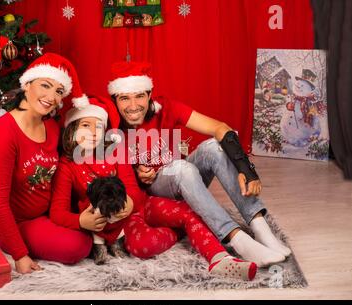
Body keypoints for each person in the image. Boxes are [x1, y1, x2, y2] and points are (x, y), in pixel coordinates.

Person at [50, 96, 257, 280]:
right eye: (85, 125)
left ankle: (219, 258)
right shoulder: (67, 167)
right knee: (141, 246)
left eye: (98, 127)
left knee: (185, 212)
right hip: (117, 226)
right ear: (72, 129)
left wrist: (129, 203)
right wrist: (80, 220)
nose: (92, 132)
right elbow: (57, 212)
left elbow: (133, 190)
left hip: (141, 207)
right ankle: (178, 232)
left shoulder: (115, 152)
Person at [107, 60, 292, 267]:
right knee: (182, 168)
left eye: (139, 95)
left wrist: (246, 170)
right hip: (151, 198)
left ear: (149, 95)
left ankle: (260, 228)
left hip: (186, 181)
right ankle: (237, 239)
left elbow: (219, 128)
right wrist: (137, 174)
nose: (133, 106)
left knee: (213, 146)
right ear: (115, 99)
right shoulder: (109, 124)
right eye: (124, 98)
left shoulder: (166, 108)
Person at [0, 53, 92, 274]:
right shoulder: (4, 132)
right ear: (27, 84)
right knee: (79, 246)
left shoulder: (51, 127)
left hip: (48, 213)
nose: (52, 96)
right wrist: (20, 254)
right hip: (17, 223)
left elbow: (65, 172)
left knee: (97, 223)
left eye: (59, 91)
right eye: (45, 85)